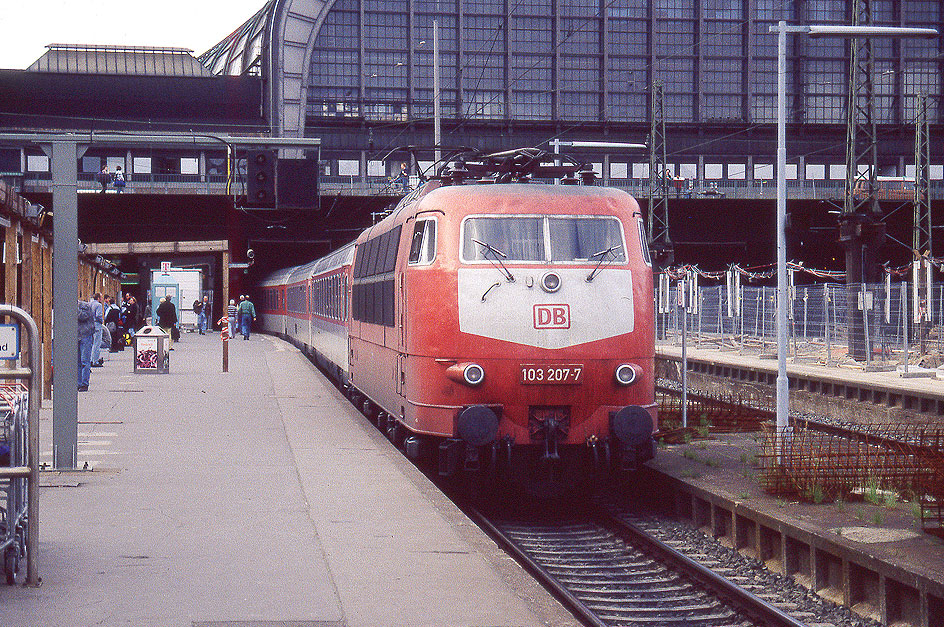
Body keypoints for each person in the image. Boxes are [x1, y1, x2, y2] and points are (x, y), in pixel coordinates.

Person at [77, 298, 95, 391]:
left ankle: (84, 383)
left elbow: (83, 316)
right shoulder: (83, 306)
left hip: (86, 336)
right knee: (78, 361)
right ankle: (79, 383)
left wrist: (74, 309)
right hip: (78, 336)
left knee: (85, 360)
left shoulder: (85, 306)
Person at [89, 293, 105, 367]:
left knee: (91, 344)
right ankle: (95, 361)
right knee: (97, 344)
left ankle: (90, 359)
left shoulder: (90, 304)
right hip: (97, 326)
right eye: (101, 297)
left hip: (90, 325)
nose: (101, 299)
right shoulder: (98, 305)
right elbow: (98, 315)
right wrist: (102, 321)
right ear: (98, 298)